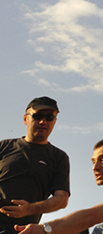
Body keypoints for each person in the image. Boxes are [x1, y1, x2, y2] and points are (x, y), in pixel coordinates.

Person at [0, 97, 69, 233]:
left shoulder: (59, 157)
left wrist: (30, 209)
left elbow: (61, 199)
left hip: (22, 230)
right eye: (37, 116)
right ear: (26, 119)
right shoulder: (4, 146)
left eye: (49, 117)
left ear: (54, 122)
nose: (43, 121)